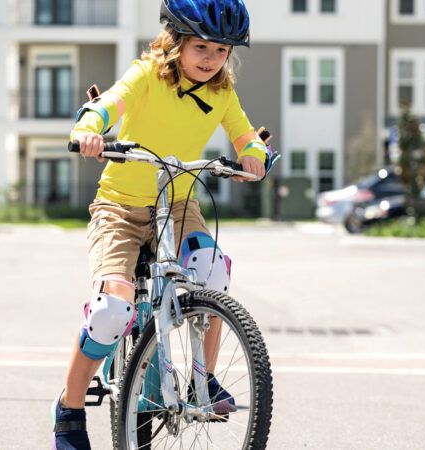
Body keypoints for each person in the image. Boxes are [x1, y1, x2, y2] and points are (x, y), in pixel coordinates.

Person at [52, 1, 275, 448]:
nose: (211, 58)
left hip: (177, 203)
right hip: (119, 207)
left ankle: (201, 381)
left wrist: (255, 154)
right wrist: (90, 128)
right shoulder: (147, 74)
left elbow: (245, 134)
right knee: (112, 311)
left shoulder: (221, 93)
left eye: (221, 50)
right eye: (201, 46)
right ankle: (70, 408)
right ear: (175, 43)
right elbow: (109, 105)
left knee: (212, 269)